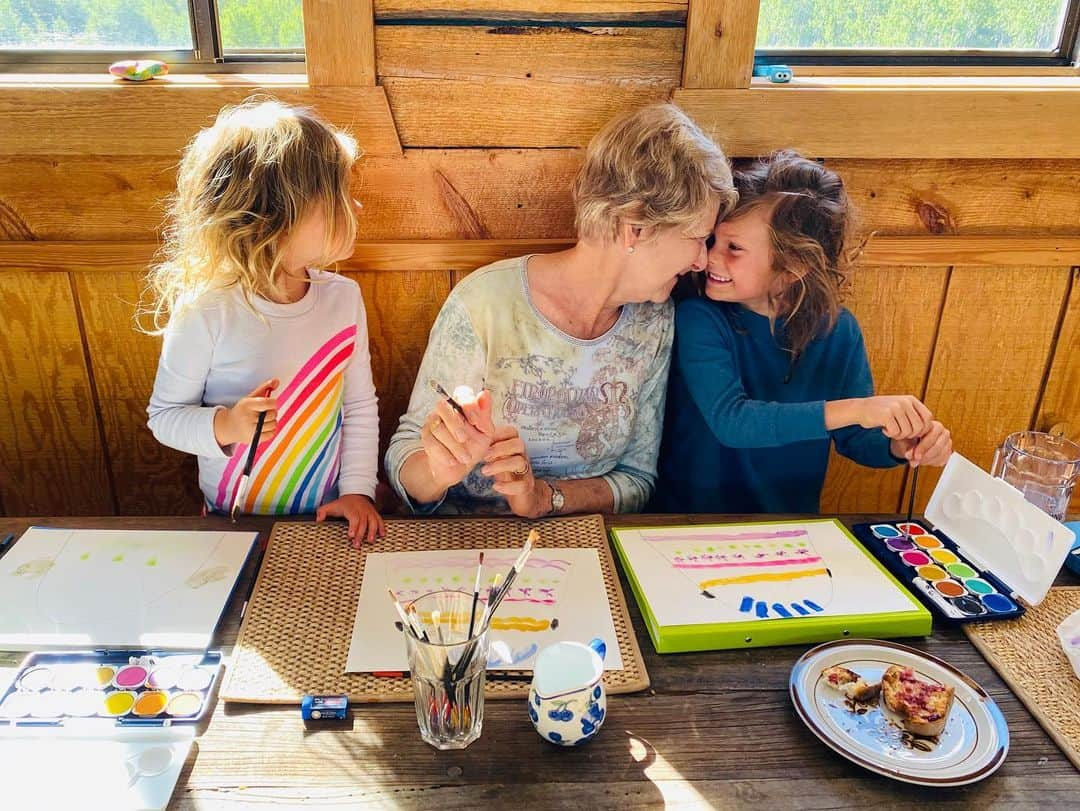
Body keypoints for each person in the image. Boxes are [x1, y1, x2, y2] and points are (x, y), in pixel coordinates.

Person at [386, 103, 737, 516]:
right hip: (468, 551)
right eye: (698, 238)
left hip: (589, 546)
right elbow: (404, 458)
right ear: (635, 229)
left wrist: (542, 497)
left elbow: (637, 480)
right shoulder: (485, 303)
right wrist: (440, 470)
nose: (701, 261)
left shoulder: (654, 321)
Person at [653, 150, 952, 514]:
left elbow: (855, 436)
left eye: (734, 248)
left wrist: (900, 446)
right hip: (686, 524)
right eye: (713, 240)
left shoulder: (838, 330)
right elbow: (733, 421)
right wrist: (859, 408)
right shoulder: (700, 318)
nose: (709, 258)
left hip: (789, 529)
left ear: (794, 266)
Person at [145, 99, 384, 544]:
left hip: (326, 520)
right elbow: (165, 417)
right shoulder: (206, 310)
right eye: (336, 193)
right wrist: (227, 426)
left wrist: (357, 490)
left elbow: (358, 407)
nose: (352, 203)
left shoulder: (343, 299)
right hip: (231, 524)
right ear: (276, 211)